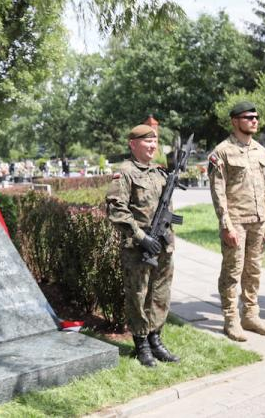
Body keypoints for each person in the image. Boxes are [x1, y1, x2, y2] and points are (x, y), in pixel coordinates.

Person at [106, 125, 179, 367]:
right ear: (132, 144)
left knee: (160, 292)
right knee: (138, 294)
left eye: (154, 142)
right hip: (138, 247)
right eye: (146, 142)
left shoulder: (159, 173)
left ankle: (155, 339)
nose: (152, 146)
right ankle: (141, 344)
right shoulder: (125, 172)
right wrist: (140, 236)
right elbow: (116, 210)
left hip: (163, 244)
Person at [208, 101, 265, 342]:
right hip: (236, 221)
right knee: (232, 272)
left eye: (256, 117)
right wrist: (226, 225)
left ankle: (251, 315)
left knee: (254, 271)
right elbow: (218, 193)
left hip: (259, 220)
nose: (254, 121)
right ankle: (231, 319)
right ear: (235, 121)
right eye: (248, 117)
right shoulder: (221, 152)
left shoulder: (260, 150)